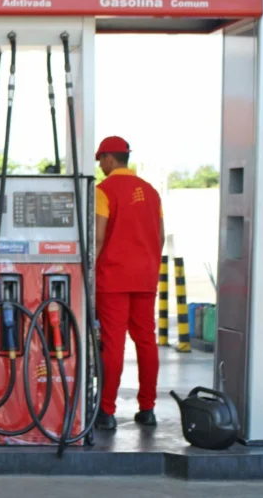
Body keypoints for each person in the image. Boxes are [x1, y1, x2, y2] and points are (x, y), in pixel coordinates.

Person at [92, 135, 164, 431]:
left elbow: (98, 237)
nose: (100, 166)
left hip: (113, 278)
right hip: (145, 277)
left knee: (113, 344)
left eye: (100, 161)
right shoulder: (151, 192)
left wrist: (87, 271)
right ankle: (147, 409)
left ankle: (106, 412)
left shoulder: (103, 191)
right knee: (146, 341)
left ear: (109, 158)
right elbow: (160, 236)